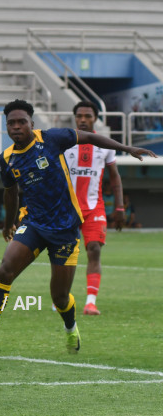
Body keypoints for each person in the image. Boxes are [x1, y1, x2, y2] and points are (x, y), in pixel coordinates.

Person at [0, 100, 155, 359]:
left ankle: (71, 328)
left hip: (65, 229)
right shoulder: (7, 159)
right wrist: (8, 224)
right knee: (5, 270)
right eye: (11, 123)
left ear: (31, 124)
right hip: (33, 224)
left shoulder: (52, 139)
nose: (16, 127)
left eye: (21, 122)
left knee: (60, 297)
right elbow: (10, 193)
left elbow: (89, 137)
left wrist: (125, 148)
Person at [64, 101, 125, 316]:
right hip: (67, 208)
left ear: (95, 119)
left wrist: (119, 206)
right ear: (75, 118)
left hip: (94, 207)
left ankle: (90, 302)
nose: (83, 120)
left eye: (88, 116)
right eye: (79, 116)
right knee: (65, 253)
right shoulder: (63, 142)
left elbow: (114, 177)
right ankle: (62, 297)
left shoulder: (105, 145)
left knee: (95, 249)